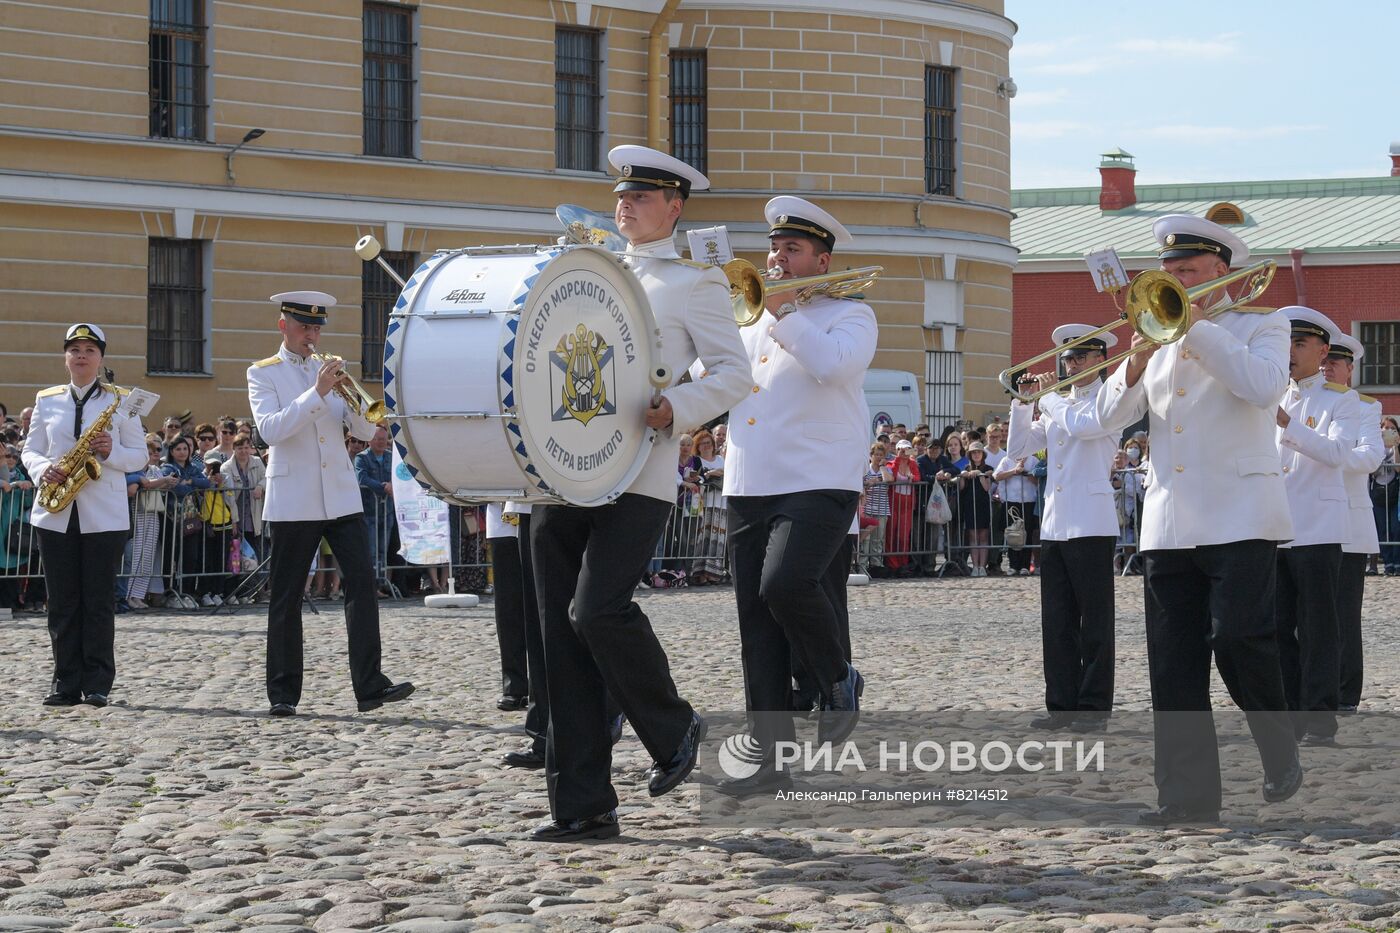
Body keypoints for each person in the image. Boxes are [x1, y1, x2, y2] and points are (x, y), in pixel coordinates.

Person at [526, 146, 749, 841]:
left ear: (675, 208)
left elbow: (733, 374)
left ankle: (673, 724)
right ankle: (583, 805)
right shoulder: (586, 271)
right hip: (561, 466)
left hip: (638, 470)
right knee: (560, 642)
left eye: (643, 198)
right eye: (622, 196)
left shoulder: (695, 282)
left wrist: (677, 407)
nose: (625, 207)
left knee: (597, 610)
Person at [1095, 213, 1301, 824]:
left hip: (1241, 513)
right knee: (1174, 665)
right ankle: (1187, 800)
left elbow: (1264, 389)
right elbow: (1108, 416)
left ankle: (1276, 739)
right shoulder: (1153, 339)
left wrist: (1197, 327)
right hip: (1169, 522)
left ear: (1221, 273)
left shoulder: (1264, 324)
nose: (1174, 279)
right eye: (1168, 271)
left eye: (1186, 271)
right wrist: (1133, 359)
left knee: (1241, 638)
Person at [717, 195, 876, 794]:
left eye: (793, 249)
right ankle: (768, 761)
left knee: (784, 583)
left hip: (820, 474)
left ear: (821, 259)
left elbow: (834, 368)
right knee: (756, 622)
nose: (778, 257)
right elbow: (722, 384)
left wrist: (783, 315)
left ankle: (837, 677)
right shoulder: (751, 316)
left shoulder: (850, 315)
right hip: (751, 476)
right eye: (775, 247)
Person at [247, 290, 414, 717]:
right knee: (286, 596)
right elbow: (270, 431)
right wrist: (318, 392)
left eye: (317, 328)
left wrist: (354, 401)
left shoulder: (329, 369)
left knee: (361, 585)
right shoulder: (263, 373)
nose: (313, 335)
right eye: (305, 327)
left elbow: (360, 426)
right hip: (294, 498)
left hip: (340, 495)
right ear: (284, 326)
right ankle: (283, 693)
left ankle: (370, 685)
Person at [21, 324, 148, 707]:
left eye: (89, 350)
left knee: (97, 600)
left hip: (103, 514)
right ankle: (64, 682)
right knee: (62, 601)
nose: (81, 355)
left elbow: (140, 456)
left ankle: (96, 683)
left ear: (101, 358)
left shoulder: (122, 401)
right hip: (55, 510)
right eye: (74, 349)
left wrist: (111, 453)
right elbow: (30, 450)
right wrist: (45, 469)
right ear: (65, 357)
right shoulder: (48, 399)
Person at [1007, 324, 1122, 730]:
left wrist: (1048, 396)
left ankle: (1093, 708)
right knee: (1056, 621)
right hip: (1056, 523)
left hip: (1091, 521)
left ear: (1099, 360)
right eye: (1068, 358)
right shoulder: (1059, 404)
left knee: (1094, 622)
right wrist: (1023, 403)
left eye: (1079, 357)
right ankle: (1062, 704)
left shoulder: (1107, 398)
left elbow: (1080, 426)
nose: (1070, 364)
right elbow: (1017, 450)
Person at [1274, 307, 1358, 745]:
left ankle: (1321, 717)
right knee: (1276, 627)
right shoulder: (1268, 394)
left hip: (1318, 528)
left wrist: (1291, 428)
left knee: (1319, 627)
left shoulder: (1340, 400)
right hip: (1273, 528)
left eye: (1299, 344)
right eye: (1286, 342)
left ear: (1322, 351)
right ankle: (1290, 715)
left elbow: (1341, 453)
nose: (1289, 352)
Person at [1322, 333, 1382, 713]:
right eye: (1325, 361)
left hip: (1347, 523)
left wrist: (1324, 454)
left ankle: (1345, 694)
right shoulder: (1295, 400)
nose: (1328, 368)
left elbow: (1371, 457)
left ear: (1349, 369)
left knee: (1343, 616)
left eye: (1336, 363)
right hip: (1305, 521)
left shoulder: (1364, 407)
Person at [126, 436, 175, 609]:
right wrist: (162, 481)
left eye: (154, 451)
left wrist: (166, 483)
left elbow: (157, 486)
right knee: (136, 555)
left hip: (152, 514)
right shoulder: (133, 470)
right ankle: (128, 593)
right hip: (136, 515)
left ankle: (138, 595)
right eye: (147, 452)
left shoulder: (154, 469)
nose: (152, 454)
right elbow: (138, 488)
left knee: (148, 556)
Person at [160, 434, 208, 609]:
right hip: (171, 518)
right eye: (178, 449)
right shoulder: (166, 468)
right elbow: (176, 488)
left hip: (190, 519)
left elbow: (207, 483)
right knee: (171, 557)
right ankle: (170, 593)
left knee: (191, 556)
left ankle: (187, 592)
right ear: (172, 451)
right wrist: (189, 486)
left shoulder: (193, 468)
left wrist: (190, 481)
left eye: (185, 449)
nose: (182, 452)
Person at [355, 424, 396, 591]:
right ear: (370, 440)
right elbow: (362, 478)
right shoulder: (361, 458)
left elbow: (400, 475)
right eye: (377, 439)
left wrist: (394, 485)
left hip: (387, 512)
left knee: (382, 551)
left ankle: (380, 584)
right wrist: (383, 487)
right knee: (370, 551)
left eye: (383, 439)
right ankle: (370, 586)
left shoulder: (391, 457)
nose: (380, 442)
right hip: (369, 511)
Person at [992, 446, 1040, 576]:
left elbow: (1037, 480)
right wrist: (1014, 471)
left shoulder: (1033, 460)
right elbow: (996, 476)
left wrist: (1026, 472)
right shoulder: (1007, 460)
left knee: (1027, 532)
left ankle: (1025, 565)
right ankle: (1013, 565)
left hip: (1028, 500)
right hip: (1011, 500)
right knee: (1012, 533)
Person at [689, 428, 727, 585]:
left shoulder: (720, 459)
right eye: (702, 444)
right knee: (702, 536)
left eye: (708, 443)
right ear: (698, 446)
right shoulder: (696, 460)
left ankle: (714, 572)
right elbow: (695, 477)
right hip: (704, 502)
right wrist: (710, 474)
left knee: (718, 538)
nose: (706, 446)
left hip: (720, 503)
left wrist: (717, 472)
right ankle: (700, 573)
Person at [221, 432, 266, 562]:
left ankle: (260, 582)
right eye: (240, 448)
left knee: (258, 553)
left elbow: (267, 478)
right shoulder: (226, 467)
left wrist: (260, 486)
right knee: (240, 557)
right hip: (238, 516)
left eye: (246, 447)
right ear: (234, 449)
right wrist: (234, 521)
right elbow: (229, 496)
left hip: (256, 516)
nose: (243, 451)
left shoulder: (257, 462)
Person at [956, 441, 994, 576]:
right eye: (974, 452)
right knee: (972, 535)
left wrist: (979, 474)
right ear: (970, 455)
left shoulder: (988, 468)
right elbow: (961, 487)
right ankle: (975, 565)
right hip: (969, 504)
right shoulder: (966, 467)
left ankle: (982, 566)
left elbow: (986, 488)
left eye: (978, 452)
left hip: (982, 504)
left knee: (983, 534)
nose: (976, 454)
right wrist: (962, 475)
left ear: (982, 454)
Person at [884, 438, 920, 575]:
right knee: (891, 535)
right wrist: (898, 459)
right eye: (901, 449)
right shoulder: (891, 463)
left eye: (906, 449)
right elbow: (891, 475)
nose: (904, 452)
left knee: (903, 537)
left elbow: (917, 478)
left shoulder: (913, 464)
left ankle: (903, 564)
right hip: (894, 503)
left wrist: (912, 477)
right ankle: (892, 564)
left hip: (907, 504)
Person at [859, 442, 893, 576]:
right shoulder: (866, 469)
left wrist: (882, 468)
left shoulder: (886, 469)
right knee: (866, 539)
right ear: (871, 455)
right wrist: (869, 483)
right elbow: (862, 484)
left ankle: (876, 564)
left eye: (881, 455)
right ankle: (862, 564)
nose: (878, 457)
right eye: (876, 454)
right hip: (867, 508)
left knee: (878, 539)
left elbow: (889, 479)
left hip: (882, 508)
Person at [1375, 416, 1400, 574]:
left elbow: (1398, 469)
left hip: (1393, 492)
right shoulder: (1375, 446)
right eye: (1386, 428)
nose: (1389, 431)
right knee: (1382, 529)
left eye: (1393, 428)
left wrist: (1396, 447)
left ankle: (1397, 563)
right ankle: (1388, 563)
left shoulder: (1397, 447)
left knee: (1395, 528)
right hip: (1378, 492)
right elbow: (1372, 471)